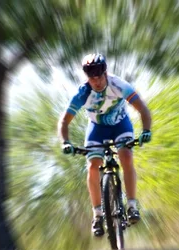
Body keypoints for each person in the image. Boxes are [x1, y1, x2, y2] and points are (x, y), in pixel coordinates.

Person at [57, 53, 152, 237]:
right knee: (93, 165)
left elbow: (143, 109)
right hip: (97, 129)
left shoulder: (119, 85)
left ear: (105, 73)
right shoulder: (82, 93)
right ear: (87, 78)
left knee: (126, 155)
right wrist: (65, 142)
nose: (97, 82)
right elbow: (64, 122)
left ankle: (132, 206)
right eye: (92, 78)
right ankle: (98, 215)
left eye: (99, 76)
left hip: (120, 125)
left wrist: (146, 130)